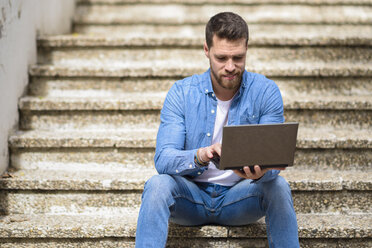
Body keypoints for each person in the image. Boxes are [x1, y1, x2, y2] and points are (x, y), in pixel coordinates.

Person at [135, 12, 299, 248]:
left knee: (278, 186)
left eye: (238, 58)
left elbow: (274, 163)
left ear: (247, 49)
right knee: (157, 185)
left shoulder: (266, 91)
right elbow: (163, 159)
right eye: (221, 58)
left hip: (240, 197)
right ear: (206, 50)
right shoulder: (182, 92)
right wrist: (201, 155)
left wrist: (261, 173)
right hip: (191, 197)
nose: (230, 67)